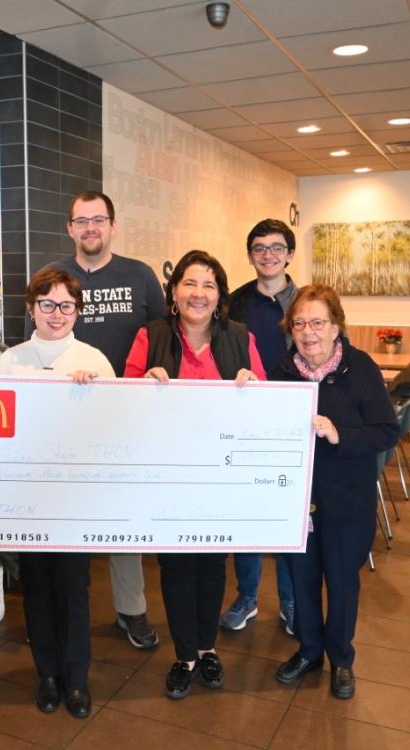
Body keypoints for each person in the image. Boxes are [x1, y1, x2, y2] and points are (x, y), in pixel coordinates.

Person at [0, 268, 113, 719]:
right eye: (47, 304)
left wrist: (93, 396)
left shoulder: (96, 361)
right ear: (31, 309)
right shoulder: (10, 361)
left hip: (76, 502)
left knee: (75, 590)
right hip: (26, 503)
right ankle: (47, 674)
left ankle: (76, 680)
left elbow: (114, 429)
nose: (56, 315)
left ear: (78, 310)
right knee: (37, 589)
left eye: (65, 305)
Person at [123, 250, 267, 699]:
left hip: (220, 479)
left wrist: (254, 387)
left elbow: (267, 404)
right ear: (174, 291)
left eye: (208, 285)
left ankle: (208, 649)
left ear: (220, 294)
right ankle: (185, 655)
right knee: (176, 567)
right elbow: (121, 398)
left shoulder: (242, 338)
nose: (198, 293)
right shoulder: (151, 335)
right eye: (189, 283)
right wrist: (143, 386)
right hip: (167, 476)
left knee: (211, 566)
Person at [38, 190, 167, 650]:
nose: (90, 228)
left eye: (99, 220)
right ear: (70, 228)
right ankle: (59, 612)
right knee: (62, 514)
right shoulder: (53, 276)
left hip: (124, 416)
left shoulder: (140, 275)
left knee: (121, 517)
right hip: (64, 418)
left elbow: (160, 337)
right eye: (81, 221)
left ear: (113, 225)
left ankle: (131, 610)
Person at [270, 284, 399, 700]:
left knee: (342, 582)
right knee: (302, 581)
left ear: (336, 325)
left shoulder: (360, 368)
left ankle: (341, 659)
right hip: (297, 502)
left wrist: (338, 433)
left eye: (318, 322)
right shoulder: (282, 370)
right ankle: (309, 651)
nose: (308, 332)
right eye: (300, 322)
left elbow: (385, 431)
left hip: (347, 499)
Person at [222, 219, 299, 634]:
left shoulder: (306, 304)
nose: (267, 254)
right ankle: (247, 596)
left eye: (276, 247)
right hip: (245, 423)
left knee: (287, 517)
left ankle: (291, 601)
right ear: (250, 255)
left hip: (293, 422)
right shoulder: (234, 303)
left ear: (289, 253)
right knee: (246, 516)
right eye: (258, 248)